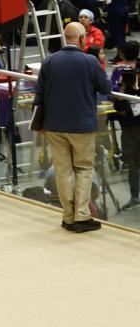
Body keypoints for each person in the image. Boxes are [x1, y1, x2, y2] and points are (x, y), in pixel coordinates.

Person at [34, 22, 111, 233]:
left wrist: (40, 124)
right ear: (82, 39)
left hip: (54, 125)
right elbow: (105, 88)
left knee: (62, 170)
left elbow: (39, 94)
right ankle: (81, 216)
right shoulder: (89, 61)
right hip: (82, 126)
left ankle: (68, 216)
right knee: (84, 169)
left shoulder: (49, 62)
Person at [114, 71, 140, 210]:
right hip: (129, 134)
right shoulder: (121, 97)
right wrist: (122, 93)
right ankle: (135, 197)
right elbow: (121, 111)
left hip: (134, 132)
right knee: (133, 167)